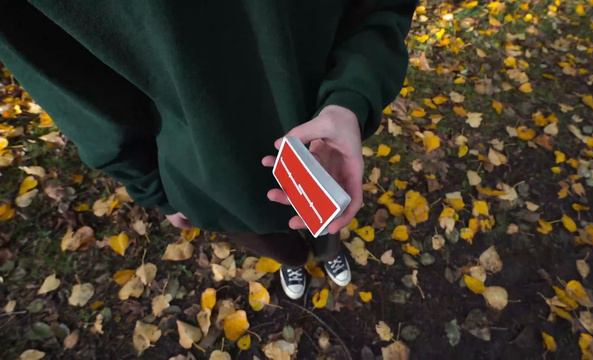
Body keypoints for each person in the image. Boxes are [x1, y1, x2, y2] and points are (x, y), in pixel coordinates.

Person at [0, 0, 416, 299]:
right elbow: (65, 82)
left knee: (327, 221)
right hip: (209, 172)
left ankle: (328, 253)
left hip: (321, 145)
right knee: (269, 238)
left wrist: (349, 97)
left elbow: (379, 6)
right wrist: (148, 184)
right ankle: (292, 262)